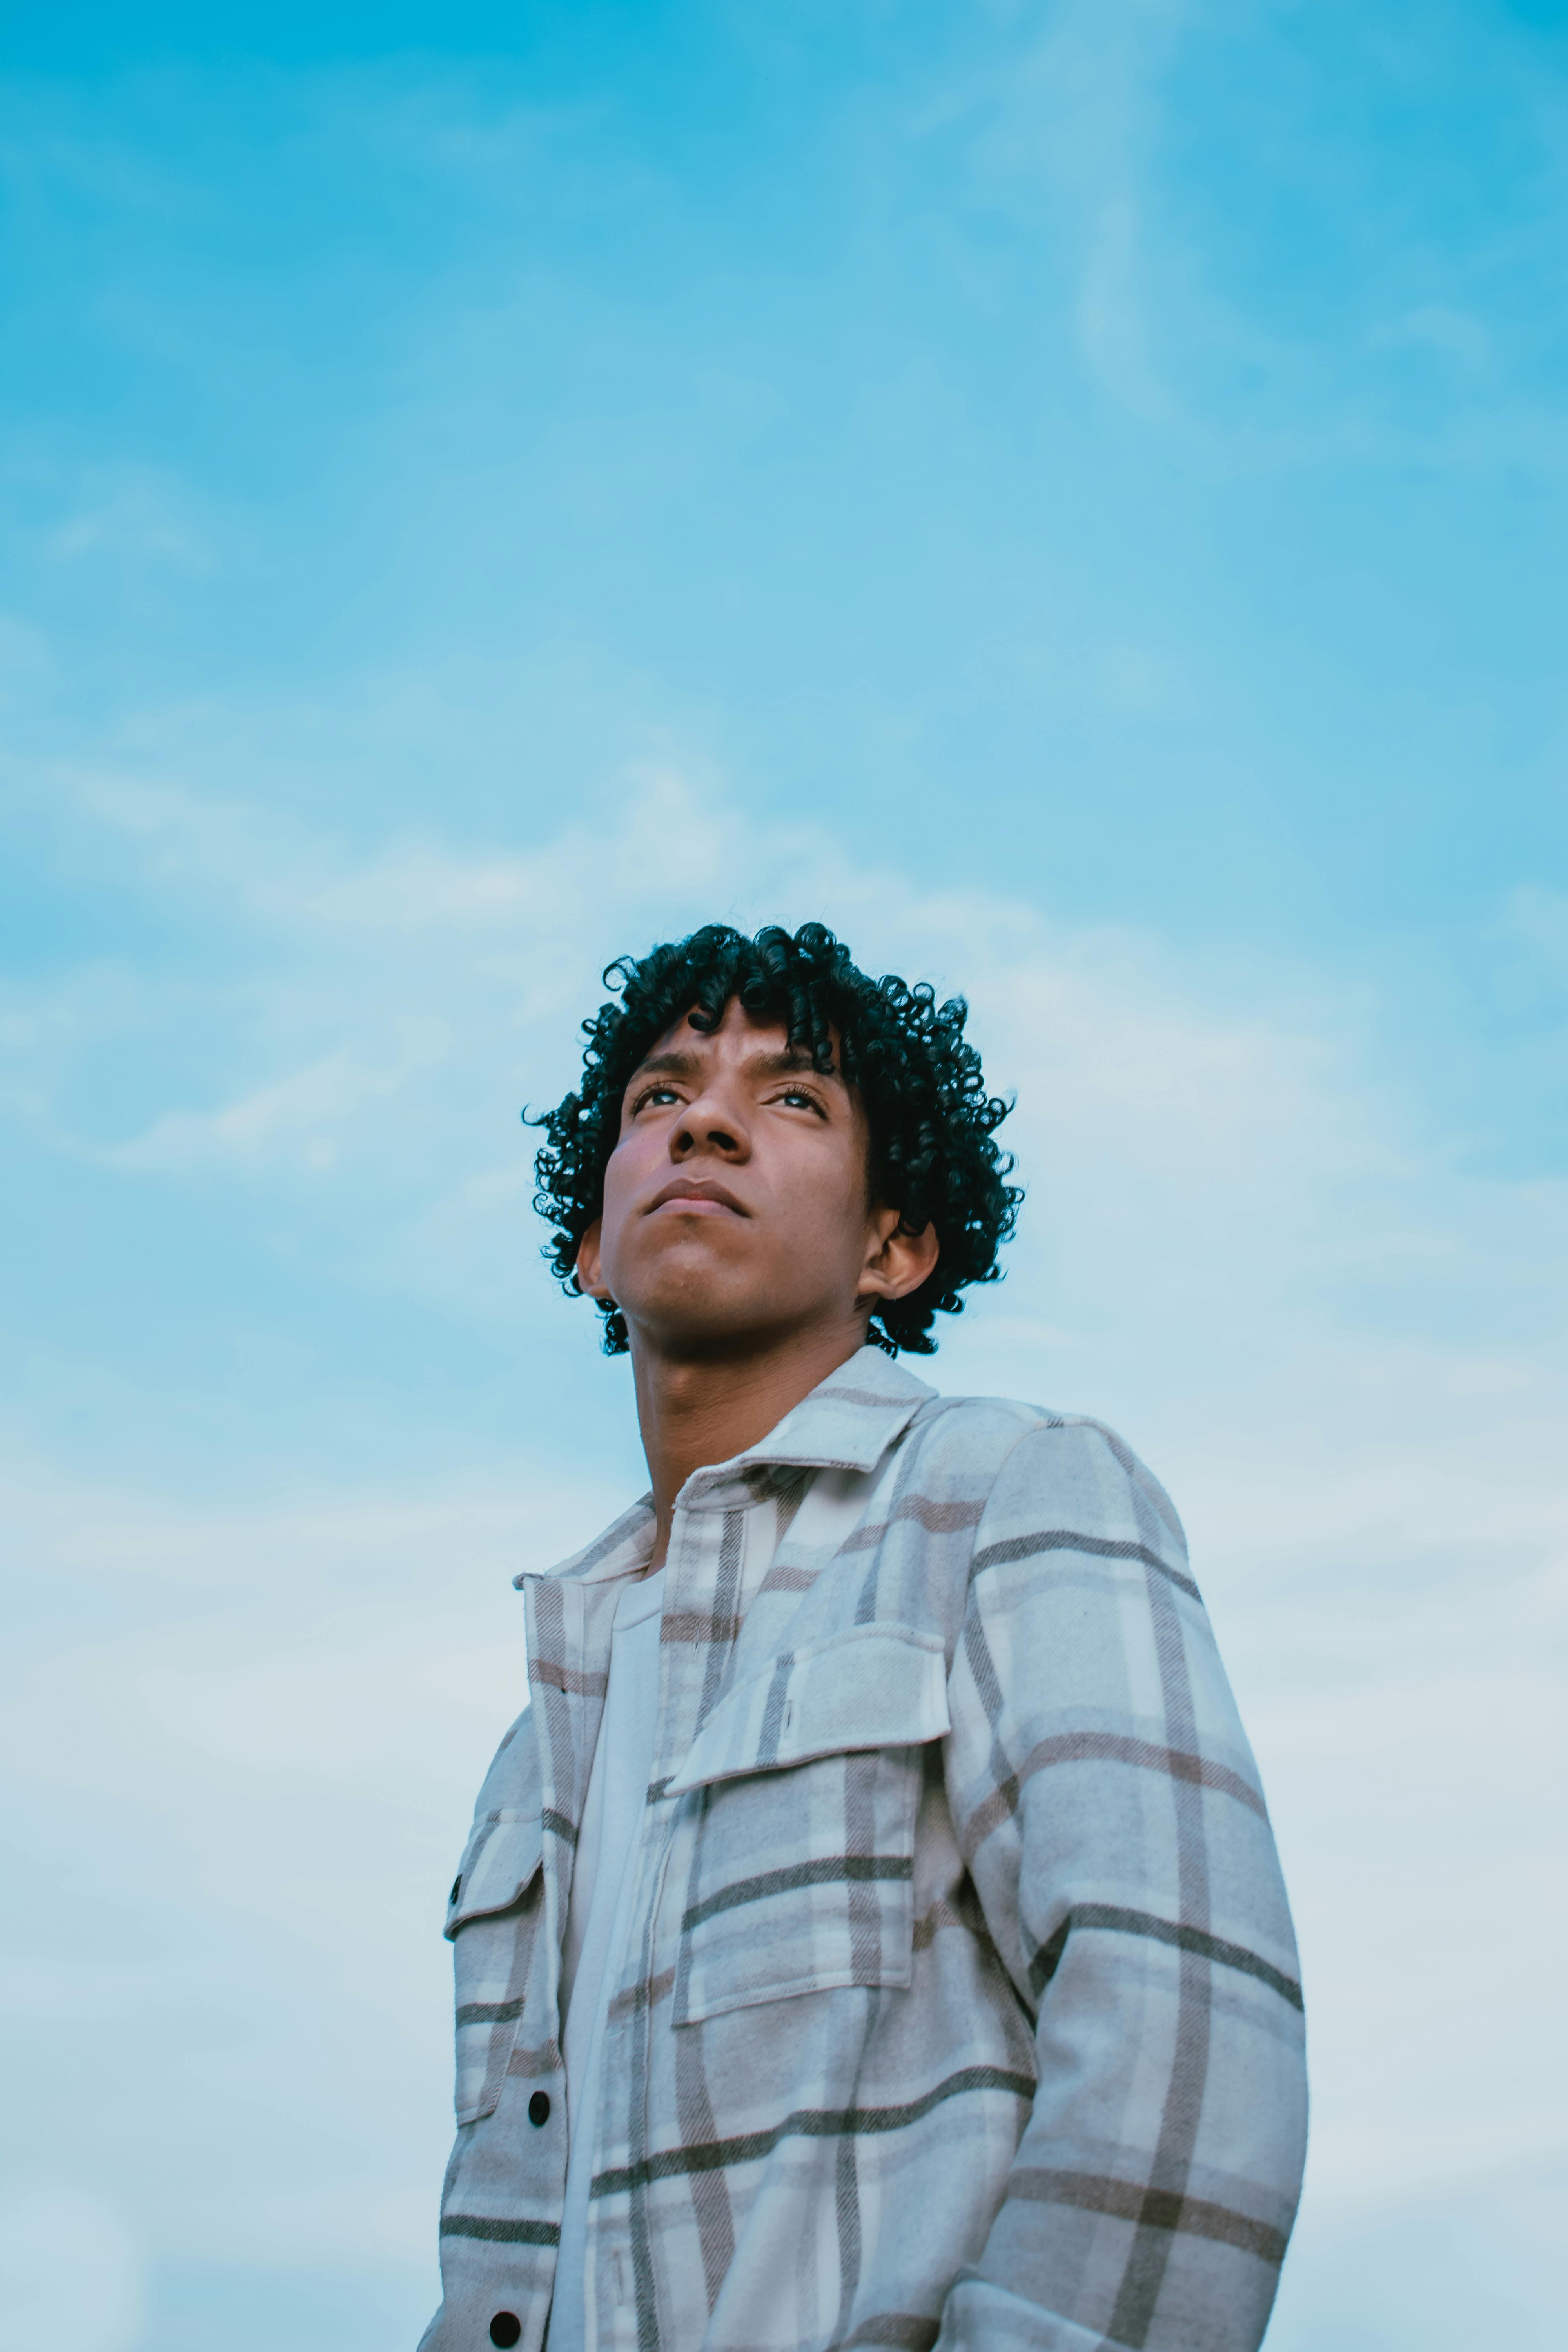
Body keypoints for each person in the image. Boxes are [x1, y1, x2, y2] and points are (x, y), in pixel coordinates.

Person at [419, 922, 1307, 2352]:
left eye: (791, 1099)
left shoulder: (1006, 1493)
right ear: (591, 1246)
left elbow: (1187, 2043)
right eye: (661, 1098)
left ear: (893, 1246)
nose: (703, 1118)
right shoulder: (535, 1752)